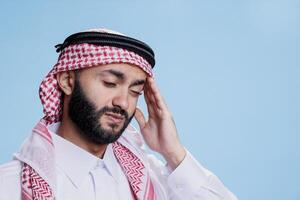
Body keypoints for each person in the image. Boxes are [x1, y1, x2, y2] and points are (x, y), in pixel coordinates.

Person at [0, 28, 238, 200]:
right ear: (67, 81)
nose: (123, 102)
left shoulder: (153, 178)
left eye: (135, 91)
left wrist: (173, 153)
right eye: (110, 83)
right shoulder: (10, 186)